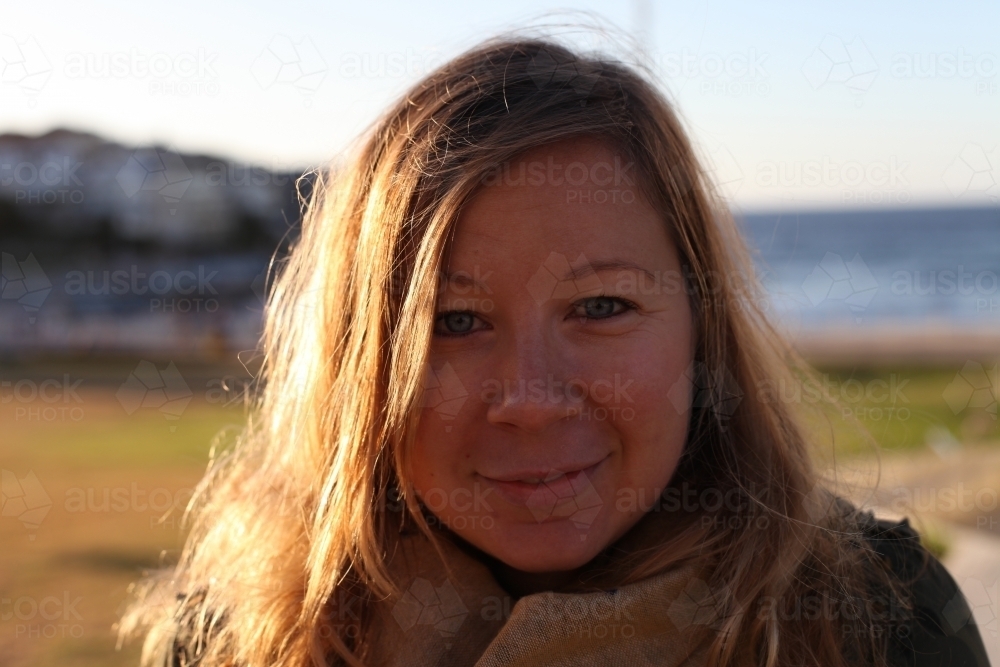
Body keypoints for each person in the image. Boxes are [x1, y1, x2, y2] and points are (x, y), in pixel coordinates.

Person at [120, 36, 991, 667]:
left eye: (602, 305)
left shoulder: (881, 620)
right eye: (451, 321)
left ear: (701, 328)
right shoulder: (234, 639)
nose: (530, 399)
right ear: (361, 359)